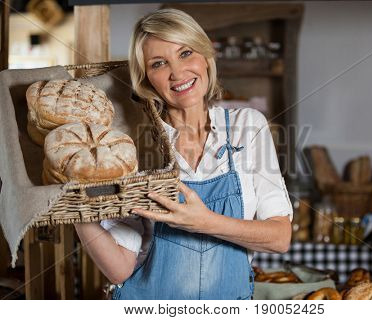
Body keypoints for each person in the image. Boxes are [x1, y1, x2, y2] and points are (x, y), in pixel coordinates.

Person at [75, 8, 293, 300]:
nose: (177, 73)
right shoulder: (133, 145)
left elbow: (279, 237)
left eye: (186, 53)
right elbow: (121, 269)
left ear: (206, 56)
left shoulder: (248, 126)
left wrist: (203, 221)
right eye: (159, 63)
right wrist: (75, 208)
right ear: (146, 78)